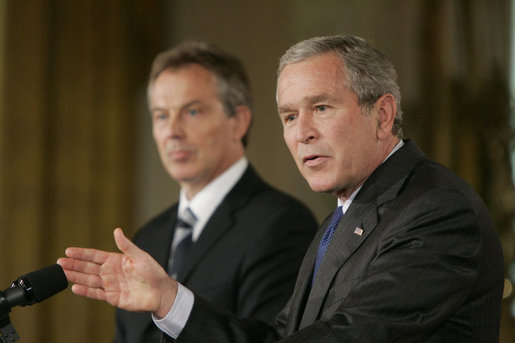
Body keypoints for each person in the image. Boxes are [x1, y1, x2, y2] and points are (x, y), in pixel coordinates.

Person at [58, 35, 504, 342]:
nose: (301, 133)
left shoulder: (437, 210)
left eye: (321, 108)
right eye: (289, 116)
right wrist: (169, 301)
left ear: (383, 115)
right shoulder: (341, 218)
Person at [111, 42, 319, 343]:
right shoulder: (147, 238)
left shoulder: (282, 224)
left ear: (238, 121)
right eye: (160, 116)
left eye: (191, 111)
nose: (172, 131)